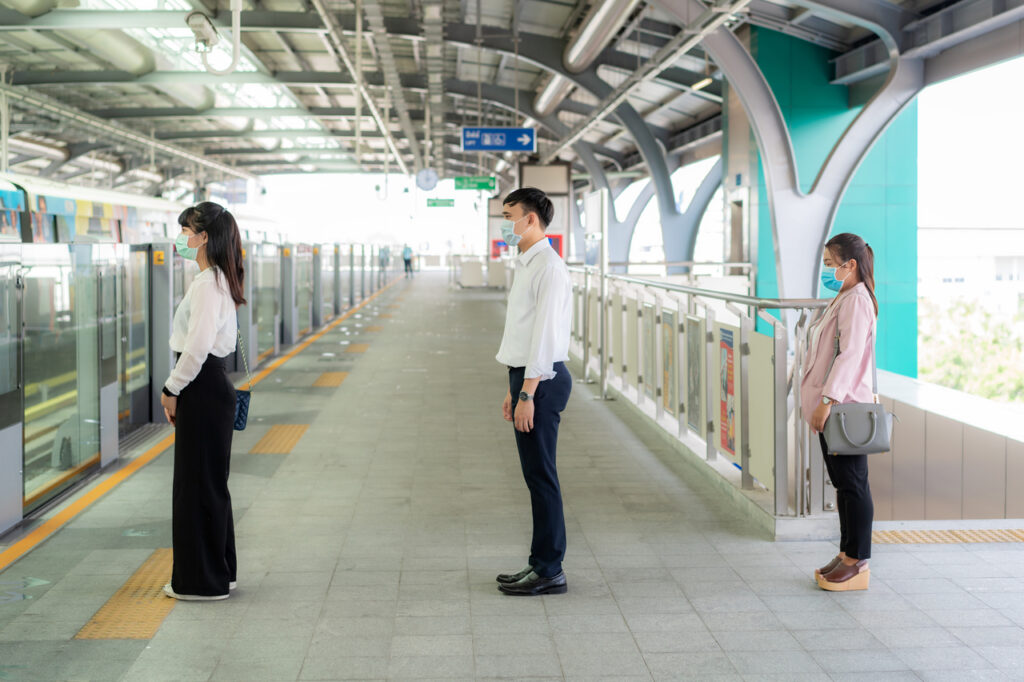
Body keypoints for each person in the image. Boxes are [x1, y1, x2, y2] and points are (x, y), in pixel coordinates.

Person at [160, 202, 245, 601]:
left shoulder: (208, 284)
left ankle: (200, 583)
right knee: (210, 485)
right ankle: (219, 573)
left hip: (201, 386)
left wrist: (172, 388)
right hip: (211, 386)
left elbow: (196, 347)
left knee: (195, 487)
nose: (181, 236)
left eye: (186, 229)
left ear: (204, 237)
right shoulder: (217, 280)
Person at [494, 187, 573, 597]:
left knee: (542, 476)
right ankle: (538, 563)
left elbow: (545, 337)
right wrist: (515, 388)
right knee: (535, 475)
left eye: (509, 216)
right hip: (527, 377)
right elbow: (524, 332)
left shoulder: (549, 267)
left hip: (540, 380)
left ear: (531, 220)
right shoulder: (528, 262)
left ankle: (549, 569)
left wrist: (527, 392)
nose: (505, 224)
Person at [801, 233, 879, 592]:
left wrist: (827, 401)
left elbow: (848, 356)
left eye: (832, 264)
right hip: (834, 406)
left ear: (850, 265)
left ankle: (857, 560)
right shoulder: (845, 296)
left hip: (843, 409)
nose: (828, 270)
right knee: (844, 485)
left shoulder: (857, 300)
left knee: (853, 485)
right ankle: (847, 553)